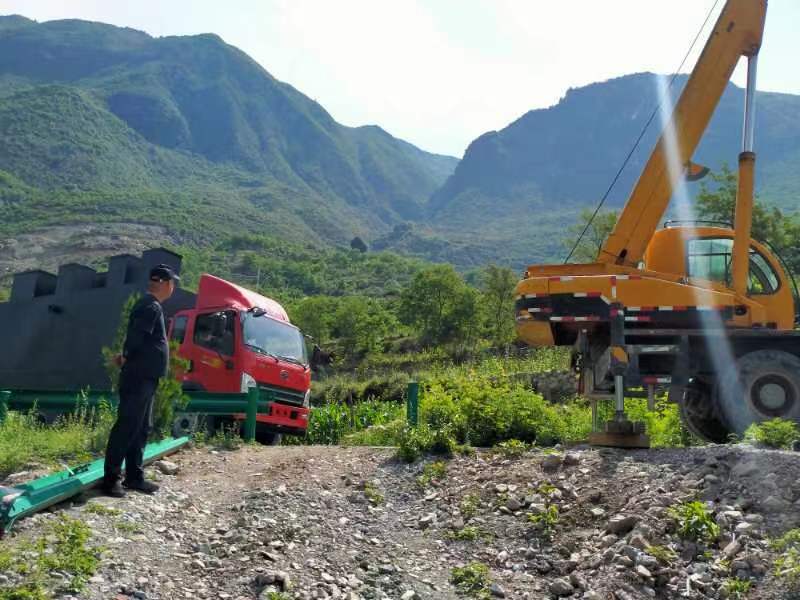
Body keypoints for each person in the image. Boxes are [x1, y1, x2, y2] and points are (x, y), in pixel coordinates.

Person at [101, 264, 178, 497]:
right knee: (127, 426)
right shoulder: (150, 307)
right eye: (172, 283)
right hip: (138, 376)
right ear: (165, 284)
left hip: (147, 377)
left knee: (141, 427)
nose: (173, 287)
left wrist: (127, 354)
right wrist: (126, 355)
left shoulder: (151, 306)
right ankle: (111, 479)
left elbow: (138, 337)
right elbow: (136, 336)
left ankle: (135, 477)